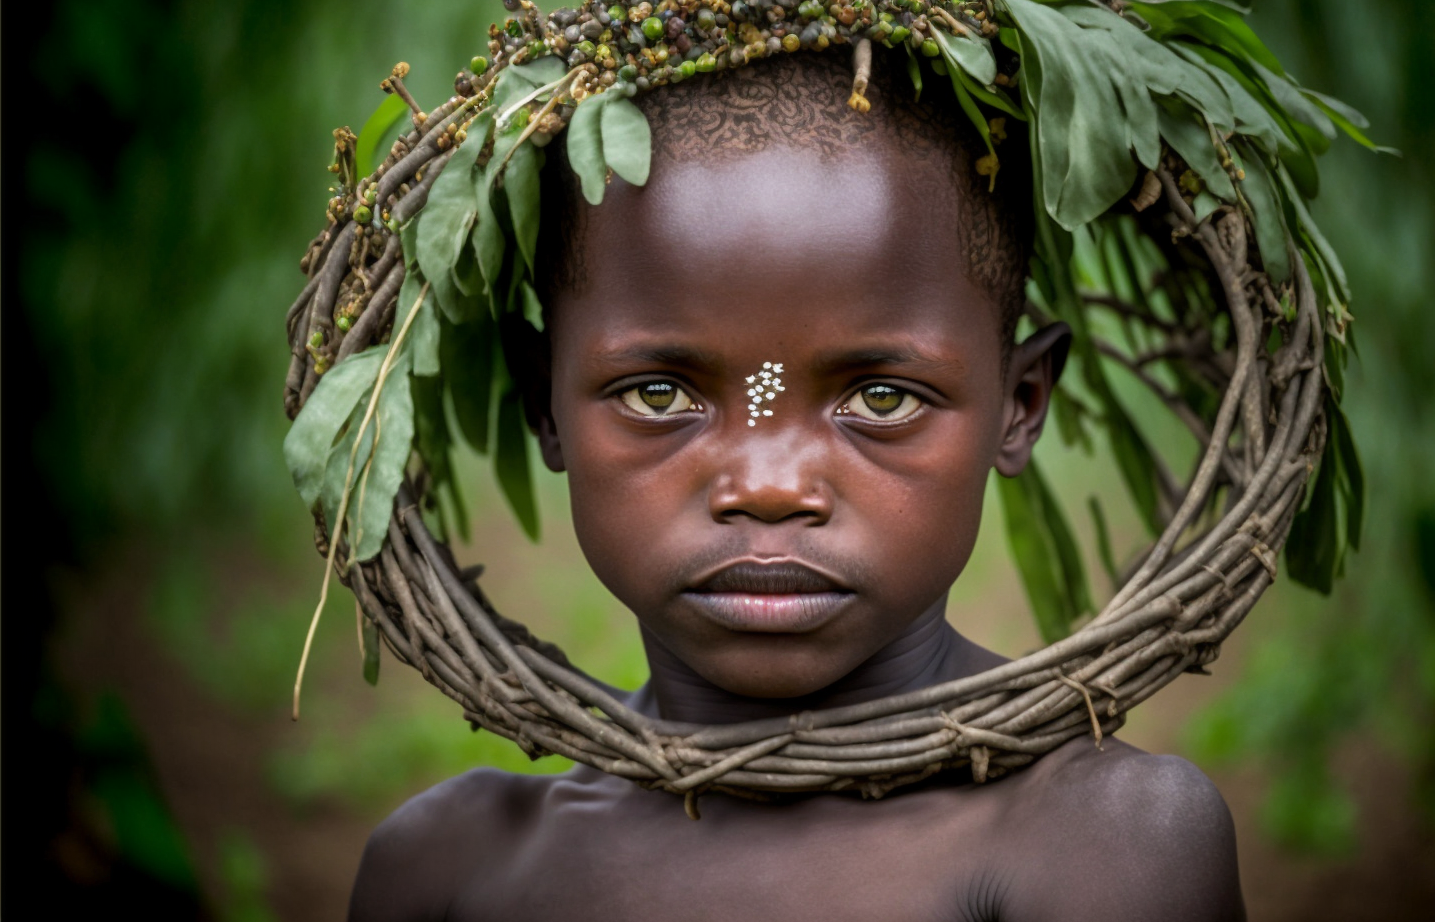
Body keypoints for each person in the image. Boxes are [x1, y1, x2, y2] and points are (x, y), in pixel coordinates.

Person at [346, 45, 1244, 921]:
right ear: (546, 403)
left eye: (882, 397)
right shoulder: (449, 871)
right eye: (660, 393)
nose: (768, 485)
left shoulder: (1107, 845)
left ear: (1020, 404)